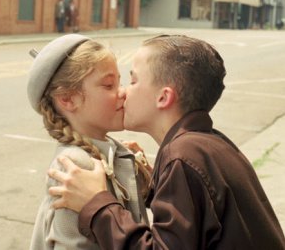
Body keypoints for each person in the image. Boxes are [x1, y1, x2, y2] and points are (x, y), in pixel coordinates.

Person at [48, 34, 285, 250]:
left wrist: (97, 203)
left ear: (163, 97)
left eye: (132, 81)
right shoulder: (209, 144)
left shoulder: (183, 156)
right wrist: (153, 186)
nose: (123, 93)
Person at [27, 34, 150, 249]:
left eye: (119, 82)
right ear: (67, 99)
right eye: (109, 85)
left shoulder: (112, 150)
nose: (122, 93)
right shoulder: (76, 166)